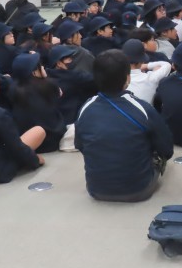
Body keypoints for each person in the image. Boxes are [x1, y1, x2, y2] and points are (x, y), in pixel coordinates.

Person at [74, 49, 174, 202]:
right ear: (127, 78)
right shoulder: (142, 108)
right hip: (139, 189)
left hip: (96, 189)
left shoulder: (85, 108)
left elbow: (80, 145)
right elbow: (166, 149)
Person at [9, 53, 64, 153]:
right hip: (50, 141)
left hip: (28, 142)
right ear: (34, 72)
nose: (43, 68)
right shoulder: (47, 87)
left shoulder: (15, 90)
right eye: (40, 66)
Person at [123, 39, 171, 104]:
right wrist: (147, 66)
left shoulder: (118, 78)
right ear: (142, 61)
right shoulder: (151, 78)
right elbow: (167, 65)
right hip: (146, 110)